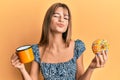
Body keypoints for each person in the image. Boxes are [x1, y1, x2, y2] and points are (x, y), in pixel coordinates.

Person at [11, 3, 108, 80]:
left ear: (68, 24)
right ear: (48, 20)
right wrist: (22, 69)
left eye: (66, 18)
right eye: (57, 16)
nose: (62, 19)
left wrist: (91, 68)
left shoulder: (76, 47)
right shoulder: (37, 51)